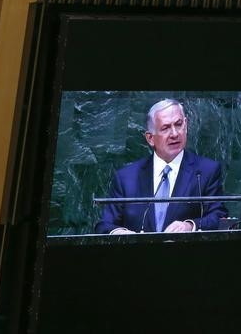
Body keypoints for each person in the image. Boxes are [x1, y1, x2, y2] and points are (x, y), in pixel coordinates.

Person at [95, 98, 227, 234]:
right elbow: (105, 225)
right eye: (165, 128)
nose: (175, 134)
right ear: (150, 138)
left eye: (179, 124)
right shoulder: (126, 178)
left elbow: (219, 216)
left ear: (186, 125)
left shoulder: (206, 171)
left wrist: (190, 225)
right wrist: (119, 233)